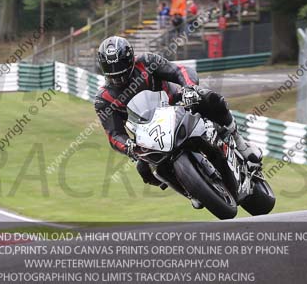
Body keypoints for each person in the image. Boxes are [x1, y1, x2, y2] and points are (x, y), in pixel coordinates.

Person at [93, 36, 261, 197]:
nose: (119, 76)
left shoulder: (146, 62)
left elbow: (179, 70)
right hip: (149, 134)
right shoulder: (104, 99)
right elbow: (114, 135)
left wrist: (189, 88)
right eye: (112, 71)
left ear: (130, 59)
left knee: (210, 98)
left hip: (177, 104)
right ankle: (191, 191)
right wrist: (128, 146)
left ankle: (239, 141)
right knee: (144, 170)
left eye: (121, 69)